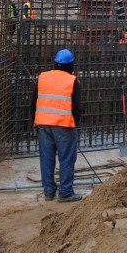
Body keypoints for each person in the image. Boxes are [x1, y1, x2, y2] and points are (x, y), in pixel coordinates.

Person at [33, 49, 83, 202]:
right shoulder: (73, 80)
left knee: (46, 159)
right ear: (70, 65)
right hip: (64, 125)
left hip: (43, 124)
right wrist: (75, 124)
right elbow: (77, 108)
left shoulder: (42, 78)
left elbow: (33, 101)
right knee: (67, 159)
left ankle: (48, 192)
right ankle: (65, 193)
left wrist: (34, 121)